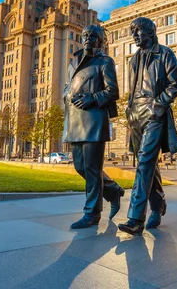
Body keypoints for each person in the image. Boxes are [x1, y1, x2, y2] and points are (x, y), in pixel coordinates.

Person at [118, 17, 177, 235]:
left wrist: (158, 104)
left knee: (144, 162)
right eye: (133, 32)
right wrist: (129, 109)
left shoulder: (165, 53)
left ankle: (135, 218)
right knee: (149, 164)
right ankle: (158, 204)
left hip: (154, 112)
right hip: (135, 114)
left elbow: (176, 84)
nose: (135, 36)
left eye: (139, 31)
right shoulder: (134, 59)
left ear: (152, 32)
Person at [63, 24, 125, 229]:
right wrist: (66, 94)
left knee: (91, 169)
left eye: (93, 35)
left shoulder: (105, 61)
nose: (88, 38)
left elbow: (113, 91)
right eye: (85, 34)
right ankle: (113, 190)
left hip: (93, 120)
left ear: (100, 40)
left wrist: (92, 98)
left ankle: (92, 214)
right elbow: (70, 85)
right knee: (81, 167)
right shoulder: (74, 61)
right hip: (75, 120)